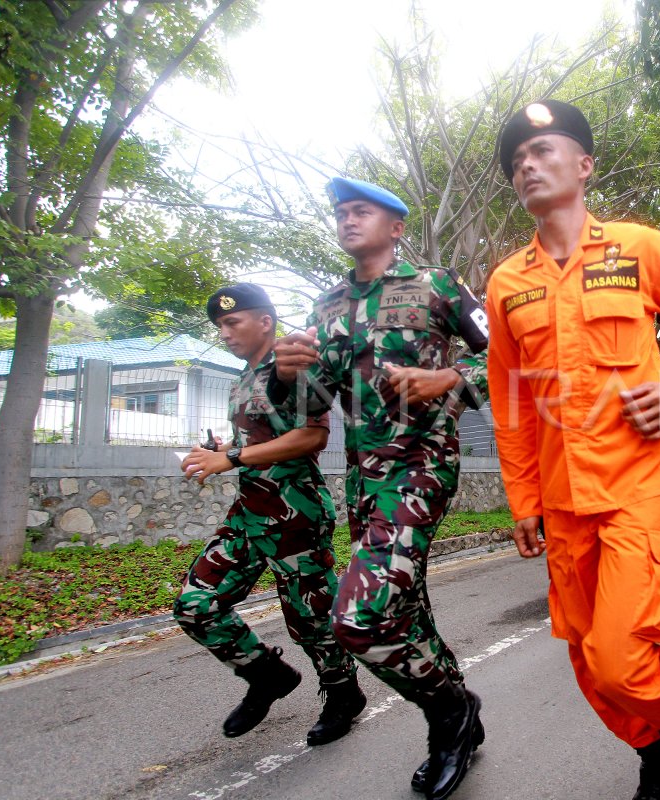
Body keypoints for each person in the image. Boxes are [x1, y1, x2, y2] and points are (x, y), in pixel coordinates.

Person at [487, 99, 660, 799]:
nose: (528, 165)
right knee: (589, 665)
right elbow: (512, 404)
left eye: (544, 151)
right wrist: (523, 501)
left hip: (637, 488)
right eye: (517, 162)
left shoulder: (639, 247)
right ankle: (658, 755)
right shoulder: (507, 282)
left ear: (584, 166)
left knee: (621, 661)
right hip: (561, 502)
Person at [270, 177, 489, 800]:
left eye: (361, 211)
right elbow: (312, 408)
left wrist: (443, 377)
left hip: (420, 467)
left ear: (395, 227)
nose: (347, 220)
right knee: (403, 606)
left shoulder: (437, 286)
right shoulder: (326, 306)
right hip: (363, 481)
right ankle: (457, 705)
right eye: (340, 213)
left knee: (358, 619)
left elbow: (502, 356)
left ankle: (449, 716)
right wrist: (289, 376)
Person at [175, 284, 363, 746]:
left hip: (295, 512)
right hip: (250, 510)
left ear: (264, 321)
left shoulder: (293, 365)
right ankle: (268, 676)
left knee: (310, 619)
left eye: (232, 322)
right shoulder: (243, 377)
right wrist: (221, 451)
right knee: (195, 606)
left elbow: (311, 437)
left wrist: (232, 460)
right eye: (219, 325)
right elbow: (260, 439)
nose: (224, 333)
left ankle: (343, 693)